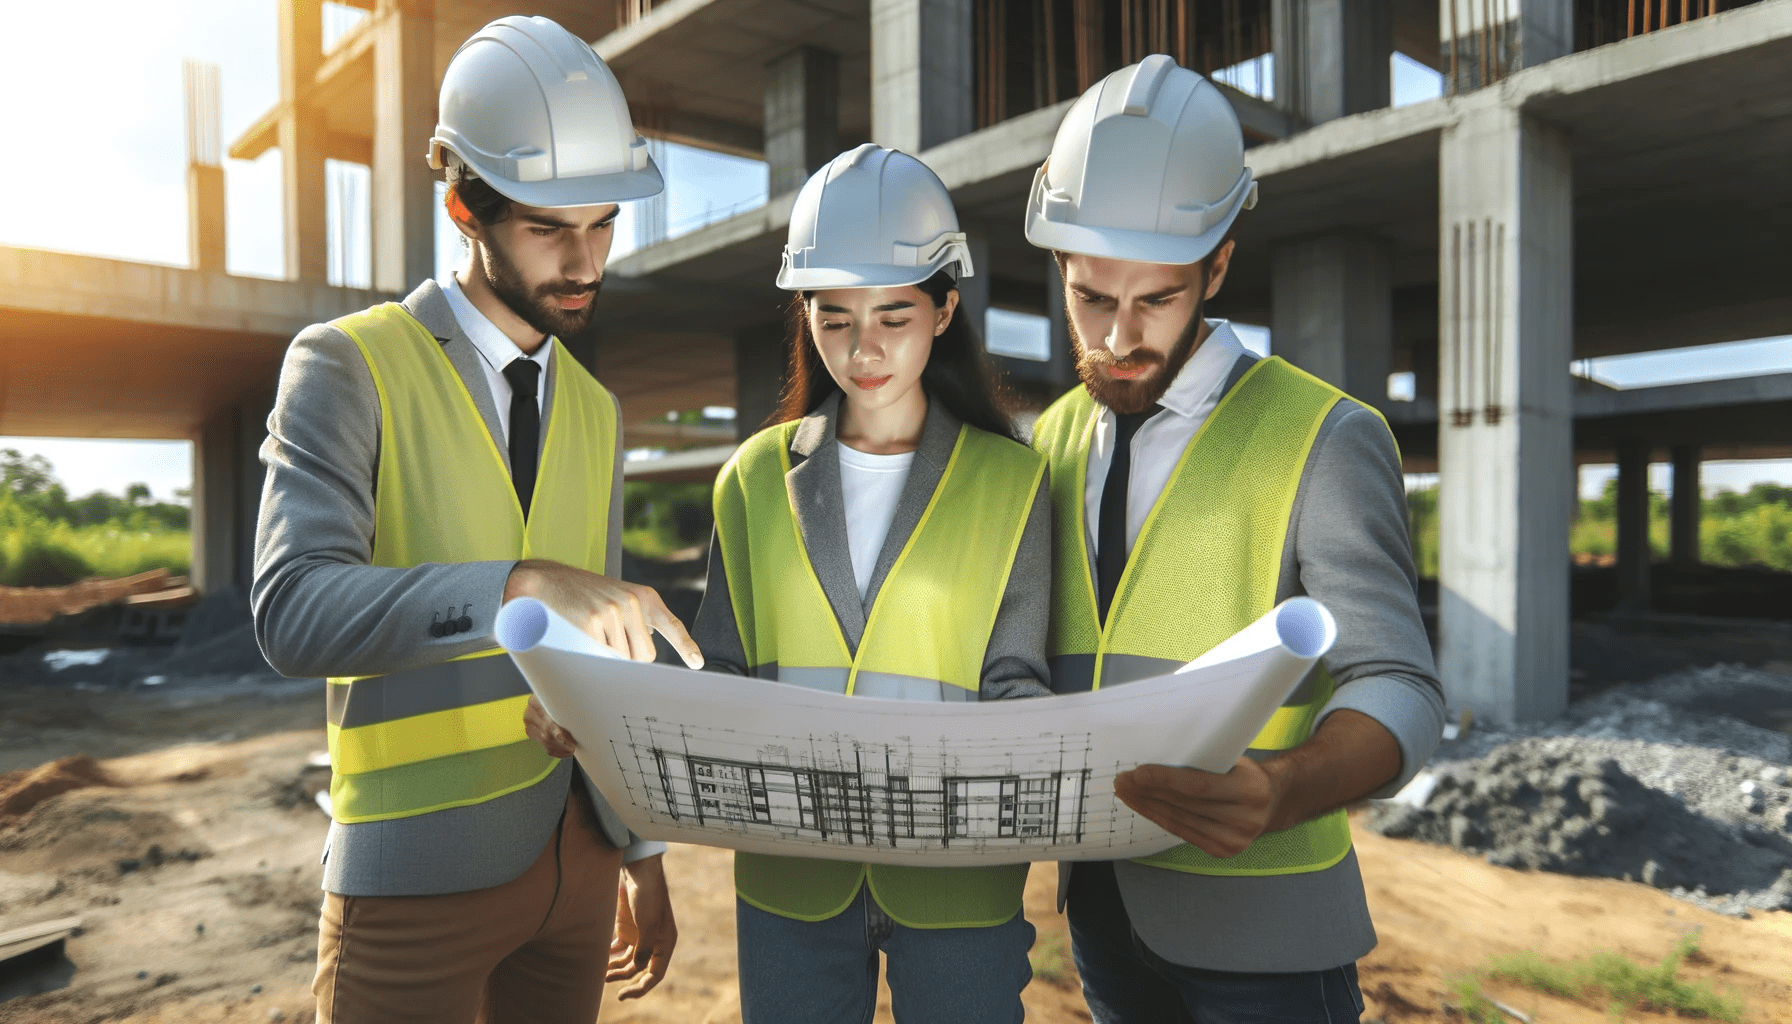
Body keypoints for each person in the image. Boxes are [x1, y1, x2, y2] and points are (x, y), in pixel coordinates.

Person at [252, 16, 702, 1023]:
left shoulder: (596, 409)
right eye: (549, 229)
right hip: (413, 875)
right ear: (463, 205)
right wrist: (517, 585)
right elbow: (291, 611)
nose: (584, 262)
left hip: (579, 862)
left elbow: (603, 660)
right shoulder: (347, 364)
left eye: (603, 224)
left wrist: (640, 848)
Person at [1022, 55, 1446, 1023]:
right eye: (1092, 298)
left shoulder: (1325, 436)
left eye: (1157, 298)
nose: (1118, 336)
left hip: (1269, 933)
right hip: (1103, 909)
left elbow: (1402, 683)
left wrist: (1283, 788)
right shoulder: (1049, 439)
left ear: (1217, 267)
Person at [690, 143, 1051, 1024]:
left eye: (894, 315)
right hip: (790, 872)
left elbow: (1016, 683)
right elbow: (717, 675)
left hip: (958, 875)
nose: (864, 349)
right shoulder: (752, 479)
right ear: (805, 313)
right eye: (835, 318)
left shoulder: (1014, 481)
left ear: (945, 309)